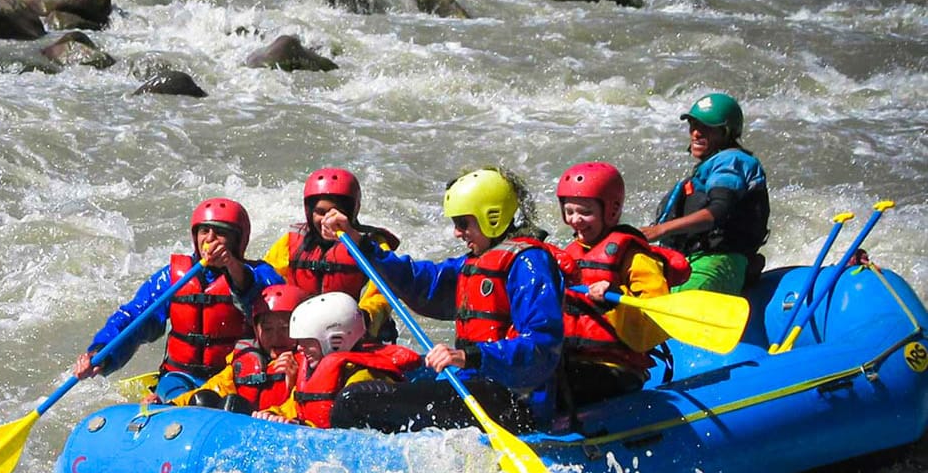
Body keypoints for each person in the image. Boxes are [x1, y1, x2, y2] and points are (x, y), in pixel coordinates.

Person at [317, 168, 565, 433]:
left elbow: (542, 346)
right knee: (381, 377)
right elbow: (419, 282)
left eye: (463, 223)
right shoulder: (476, 262)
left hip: (511, 401)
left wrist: (468, 356)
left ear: (492, 217)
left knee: (353, 402)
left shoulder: (530, 264)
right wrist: (359, 241)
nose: (457, 233)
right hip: (477, 384)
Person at [73, 197, 285, 401]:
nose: (209, 239)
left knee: (210, 401)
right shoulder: (173, 277)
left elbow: (276, 313)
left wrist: (233, 269)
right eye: (204, 231)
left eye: (220, 232)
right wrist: (102, 352)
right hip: (180, 377)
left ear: (238, 240)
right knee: (192, 399)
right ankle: (169, 402)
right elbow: (135, 317)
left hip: (233, 378)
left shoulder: (261, 274)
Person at [554, 162, 691, 405]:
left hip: (618, 368)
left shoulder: (635, 256)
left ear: (611, 210)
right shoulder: (570, 254)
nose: (575, 220)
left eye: (585, 212)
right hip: (574, 360)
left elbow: (657, 316)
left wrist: (617, 297)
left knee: (560, 385)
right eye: (569, 211)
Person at [641, 93, 770, 295]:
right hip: (689, 260)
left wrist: (660, 230)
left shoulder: (732, 161)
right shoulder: (709, 168)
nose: (695, 134)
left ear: (726, 132)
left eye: (706, 128)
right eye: (693, 125)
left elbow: (717, 212)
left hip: (718, 259)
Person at [262, 167, 400, 341]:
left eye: (336, 212)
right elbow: (267, 280)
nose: (327, 219)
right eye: (320, 212)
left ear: (351, 211)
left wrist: (365, 316)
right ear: (309, 212)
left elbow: (383, 292)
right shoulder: (291, 242)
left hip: (353, 336)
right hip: (305, 334)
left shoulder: (371, 245)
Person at [254, 292, 421, 429]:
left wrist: (300, 427)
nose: (299, 348)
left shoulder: (363, 381)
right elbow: (292, 407)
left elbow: (352, 435)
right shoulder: (312, 372)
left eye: (307, 342)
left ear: (336, 341)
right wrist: (273, 415)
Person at [172, 283, 309, 413]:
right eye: (267, 329)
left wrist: (293, 384)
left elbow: (306, 410)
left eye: (285, 328)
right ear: (256, 330)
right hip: (246, 428)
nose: (276, 337)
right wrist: (170, 404)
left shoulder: (310, 363)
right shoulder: (243, 358)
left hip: (279, 427)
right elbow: (217, 387)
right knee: (203, 399)